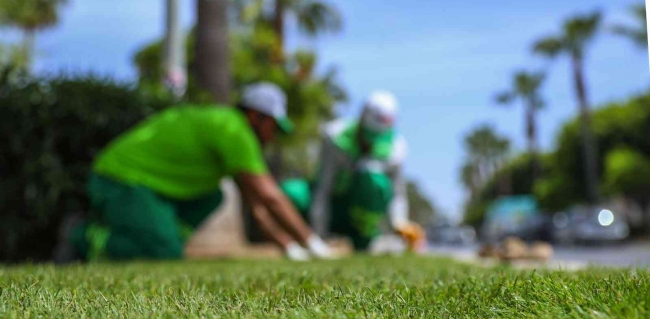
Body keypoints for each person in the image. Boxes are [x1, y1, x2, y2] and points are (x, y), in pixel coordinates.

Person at [54, 82, 334, 263]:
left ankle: (162, 236)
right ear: (255, 116)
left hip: (146, 185)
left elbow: (257, 207)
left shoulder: (229, 129)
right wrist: (311, 242)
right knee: (165, 254)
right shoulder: (235, 130)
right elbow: (269, 196)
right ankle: (83, 236)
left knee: (212, 195)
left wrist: (289, 248)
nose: (273, 135)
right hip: (121, 179)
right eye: (273, 125)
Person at [281, 91, 425, 252]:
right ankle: (294, 239)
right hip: (332, 204)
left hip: (357, 209)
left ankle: (364, 240)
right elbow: (323, 188)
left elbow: (397, 193)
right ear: (362, 120)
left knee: (373, 177)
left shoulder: (397, 149)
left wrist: (400, 223)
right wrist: (317, 237)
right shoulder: (335, 137)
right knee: (291, 191)